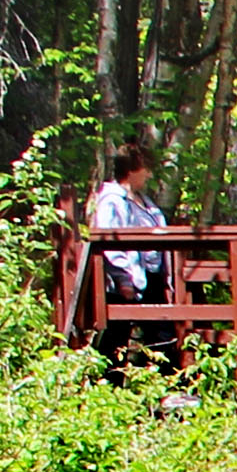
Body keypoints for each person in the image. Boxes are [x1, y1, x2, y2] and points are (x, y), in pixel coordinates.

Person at [87, 143, 171, 360]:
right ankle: (108, 386)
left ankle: (157, 386)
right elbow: (108, 239)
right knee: (117, 336)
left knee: (161, 333)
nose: (149, 174)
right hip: (126, 279)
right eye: (146, 169)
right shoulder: (112, 200)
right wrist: (123, 278)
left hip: (151, 276)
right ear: (132, 170)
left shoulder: (143, 201)